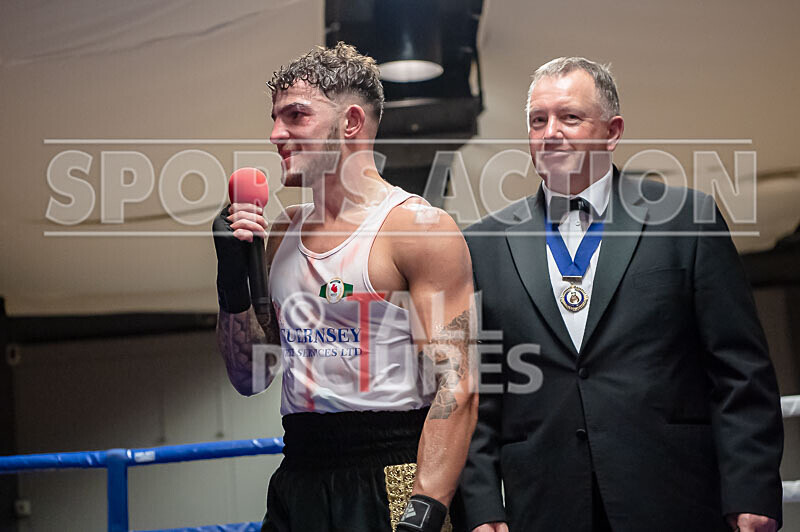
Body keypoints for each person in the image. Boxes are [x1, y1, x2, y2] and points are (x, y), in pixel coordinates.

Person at [456, 57, 784, 532]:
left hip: (674, 497)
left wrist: (752, 490)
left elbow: (740, 373)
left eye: (569, 117)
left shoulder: (685, 220)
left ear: (612, 132)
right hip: (543, 507)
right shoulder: (482, 245)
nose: (550, 133)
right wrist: (482, 507)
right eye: (537, 120)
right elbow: (474, 393)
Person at [212, 43, 477, 532]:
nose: (276, 134)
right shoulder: (282, 237)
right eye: (274, 118)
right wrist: (232, 282)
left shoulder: (417, 230)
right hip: (300, 474)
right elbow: (248, 378)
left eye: (295, 116)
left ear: (351, 122)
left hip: (394, 473)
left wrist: (426, 508)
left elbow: (456, 385)